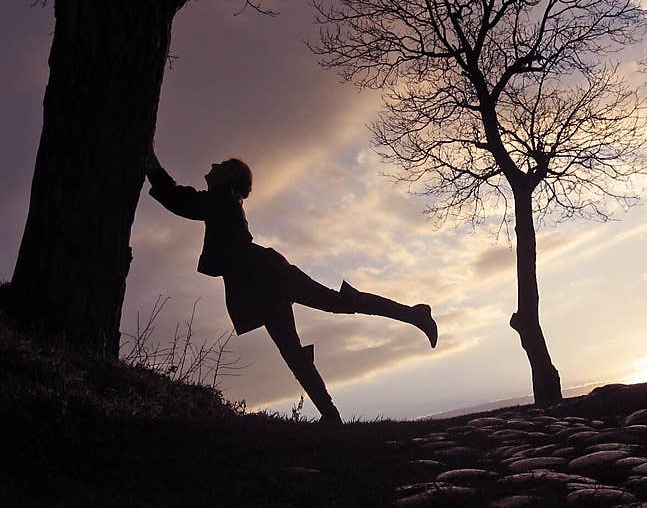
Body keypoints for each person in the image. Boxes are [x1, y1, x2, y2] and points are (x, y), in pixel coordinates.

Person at [144, 151, 438, 425]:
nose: (211, 168)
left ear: (229, 179)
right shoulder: (224, 199)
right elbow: (184, 202)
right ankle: (332, 415)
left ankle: (413, 315)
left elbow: (180, 200)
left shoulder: (222, 198)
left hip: (265, 276)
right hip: (260, 281)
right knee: (299, 342)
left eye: (219, 167)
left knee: (319, 322)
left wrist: (152, 165)